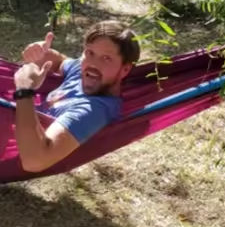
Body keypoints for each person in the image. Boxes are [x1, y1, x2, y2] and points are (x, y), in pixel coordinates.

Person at [12, 22, 140, 172]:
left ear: (125, 69)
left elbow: (34, 161)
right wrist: (40, 52)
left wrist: (24, 90)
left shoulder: (95, 110)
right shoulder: (80, 71)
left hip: (8, 148)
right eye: (90, 52)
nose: (92, 64)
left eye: (106, 58)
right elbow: (59, 61)